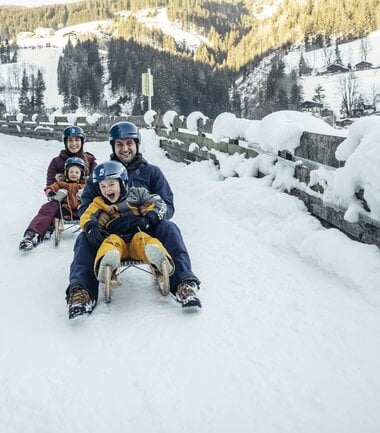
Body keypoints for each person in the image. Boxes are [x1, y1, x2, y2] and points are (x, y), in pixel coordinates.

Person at [66, 121, 201, 318]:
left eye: (129, 143)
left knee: (169, 228)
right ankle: (82, 291)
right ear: (113, 146)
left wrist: (149, 218)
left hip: (144, 229)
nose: (125, 148)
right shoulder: (102, 174)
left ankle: (182, 283)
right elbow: (87, 206)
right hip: (110, 235)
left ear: (137, 144)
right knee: (83, 238)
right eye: (119, 144)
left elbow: (167, 204)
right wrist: (93, 227)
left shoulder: (152, 172)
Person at [69, 160, 175, 318]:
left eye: (111, 184)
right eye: (103, 186)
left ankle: (158, 260)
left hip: (136, 236)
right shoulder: (99, 202)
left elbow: (158, 202)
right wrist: (91, 227)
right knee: (109, 245)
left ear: (123, 182)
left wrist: (149, 218)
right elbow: (86, 215)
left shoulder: (137, 194)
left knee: (146, 241)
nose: (107, 190)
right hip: (115, 239)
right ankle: (108, 263)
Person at [19, 125, 96, 251]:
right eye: (70, 140)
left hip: (83, 205)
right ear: (65, 142)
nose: (74, 143)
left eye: (77, 140)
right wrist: (55, 194)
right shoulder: (56, 162)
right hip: (63, 206)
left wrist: (86, 193)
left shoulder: (90, 160)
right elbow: (50, 184)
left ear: (82, 142)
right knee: (47, 208)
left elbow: (97, 184)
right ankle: (33, 234)